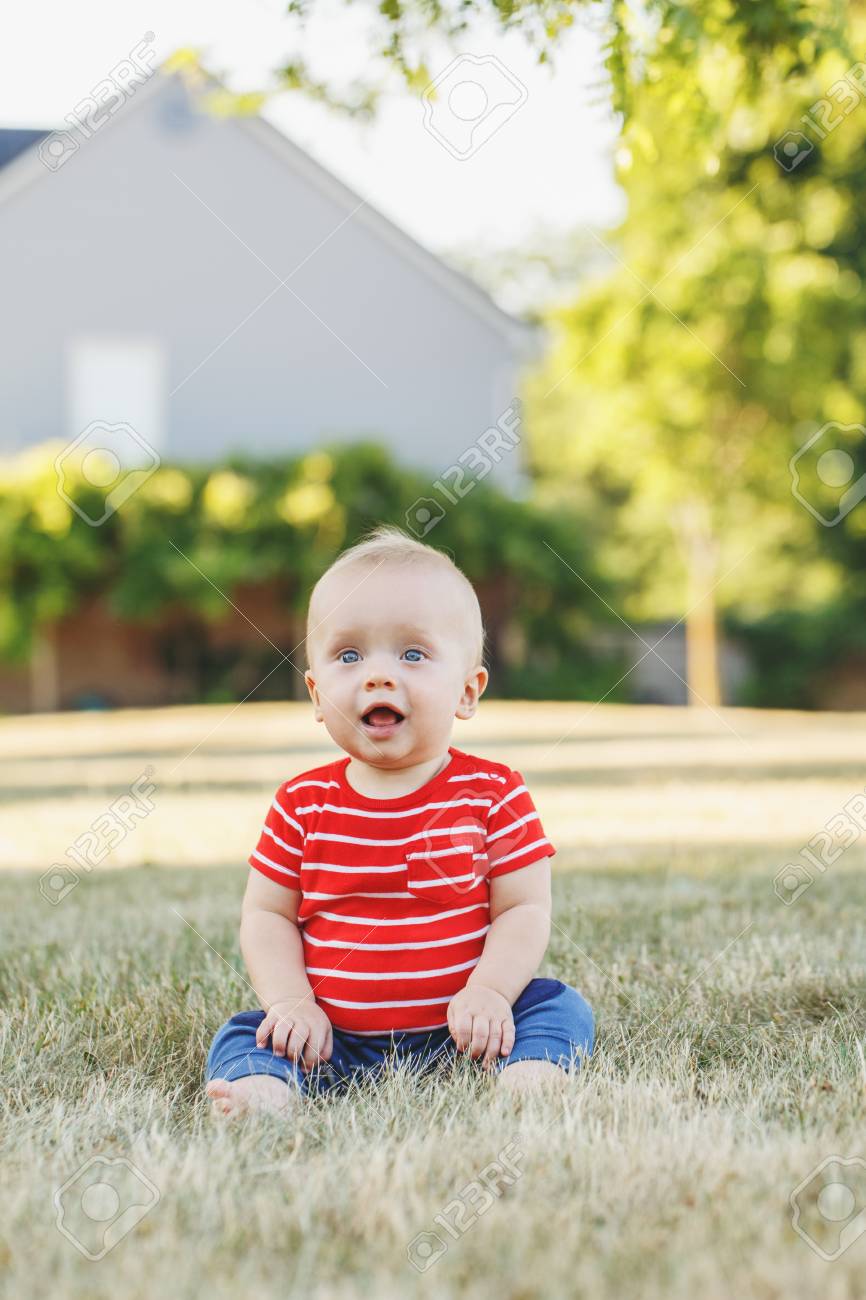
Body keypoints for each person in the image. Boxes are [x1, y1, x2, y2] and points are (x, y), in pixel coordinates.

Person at [205, 524, 594, 1116]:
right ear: (316, 693)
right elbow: (266, 915)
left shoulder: (493, 793)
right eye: (349, 655)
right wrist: (292, 1003)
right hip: (332, 1040)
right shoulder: (301, 804)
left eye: (413, 654)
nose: (378, 675)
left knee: (558, 1006)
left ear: (467, 692)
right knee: (247, 1030)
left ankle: (530, 1076)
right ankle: (264, 1092)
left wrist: (490, 991)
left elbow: (523, 909)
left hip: (467, 1032)